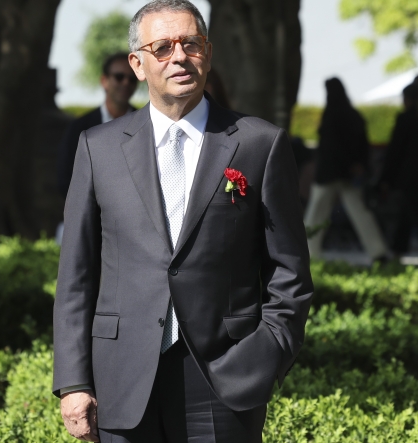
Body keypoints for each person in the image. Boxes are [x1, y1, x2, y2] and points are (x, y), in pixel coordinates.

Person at [53, 1, 313, 442]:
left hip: (224, 378)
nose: (179, 56)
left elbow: (289, 271)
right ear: (137, 63)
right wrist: (74, 382)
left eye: (191, 44)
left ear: (207, 54)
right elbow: (76, 275)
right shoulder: (98, 148)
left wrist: (265, 357)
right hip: (121, 377)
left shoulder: (258, 144)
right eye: (162, 47)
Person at [303, 77, 388, 262]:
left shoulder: (330, 115)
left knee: (316, 214)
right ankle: (378, 252)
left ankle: (308, 253)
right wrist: (358, 166)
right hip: (349, 174)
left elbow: (329, 148)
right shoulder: (353, 116)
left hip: (328, 175)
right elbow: (363, 145)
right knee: (360, 213)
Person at [57, 53, 139, 199]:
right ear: (104, 80)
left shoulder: (146, 124)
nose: (126, 83)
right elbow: (65, 179)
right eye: (119, 77)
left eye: (132, 79)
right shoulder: (79, 128)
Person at [379, 81, 418, 257]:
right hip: (409, 174)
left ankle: (399, 249)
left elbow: (395, 151)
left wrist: (386, 178)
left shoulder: (405, 119)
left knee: (405, 213)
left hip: (408, 174)